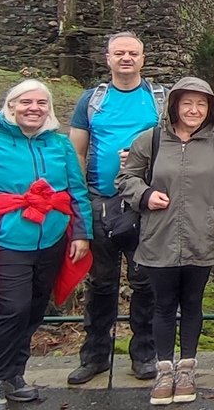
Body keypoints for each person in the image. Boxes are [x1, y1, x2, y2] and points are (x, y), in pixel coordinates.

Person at [115, 78, 214, 405]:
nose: (194, 110)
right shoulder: (151, 139)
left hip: (202, 237)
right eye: (187, 103)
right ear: (174, 105)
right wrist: (144, 195)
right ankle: (164, 369)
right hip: (159, 237)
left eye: (201, 104)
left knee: (193, 304)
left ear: (210, 108)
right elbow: (125, 178)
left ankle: (187, 368)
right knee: (163, 305)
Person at [0, 79, 92, 410]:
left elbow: (77, 191)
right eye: (26, 102)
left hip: (52, 240)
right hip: (7, 241)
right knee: (12, 309)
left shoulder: (60, 145)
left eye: (41, 103)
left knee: (34, 310)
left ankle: (15, 373)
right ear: (11, 106)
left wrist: (81, 234)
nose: (34, 108)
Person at [67, 32, 168, 384]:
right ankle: (95, 354)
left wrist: (145, 160)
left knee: (145, 281)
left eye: (133, 53)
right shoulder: (92, 100)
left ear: (143, 59)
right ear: (107, 58)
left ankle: (144, 353)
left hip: (146, 202)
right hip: (100, 199)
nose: (126, 58)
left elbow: (175, 145)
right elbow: (76, 152)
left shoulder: (159, 100)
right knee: (101, 282)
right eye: (119, 53)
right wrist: (78, 199)